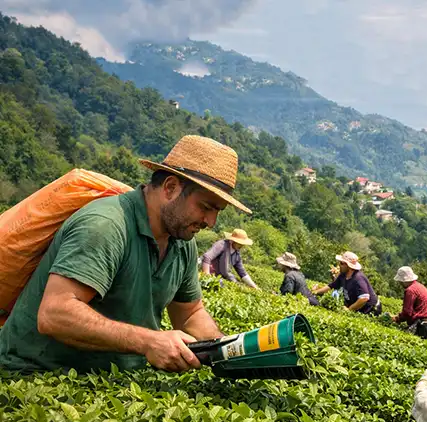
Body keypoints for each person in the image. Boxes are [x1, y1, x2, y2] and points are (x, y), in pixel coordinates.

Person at [0, 135, 252, 374]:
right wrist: (148, 341)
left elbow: (189, 314)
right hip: (37, 374)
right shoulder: (105, 226)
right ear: (171, 187)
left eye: (218, 211)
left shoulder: (182, 241)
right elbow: (54, 314)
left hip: (114, 381)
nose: (211, 221)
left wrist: (229, 350)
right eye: (206, 207)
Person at [312, 251, 381, 315]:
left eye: (341, 263)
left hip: (371, 310)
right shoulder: (343, 275)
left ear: (349, 266)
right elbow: (331, 286)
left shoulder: (358, 278)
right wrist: (315, 292)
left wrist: (349, 309)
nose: (339, 265)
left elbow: (364, 298)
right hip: (357, 307)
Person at [392, 266, 427, 342]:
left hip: (423, 327)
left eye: (400, 281)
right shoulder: (420, 286)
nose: (399, 283)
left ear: (403, 280)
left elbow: (407, 313)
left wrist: (397, 319)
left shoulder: (410, 291)